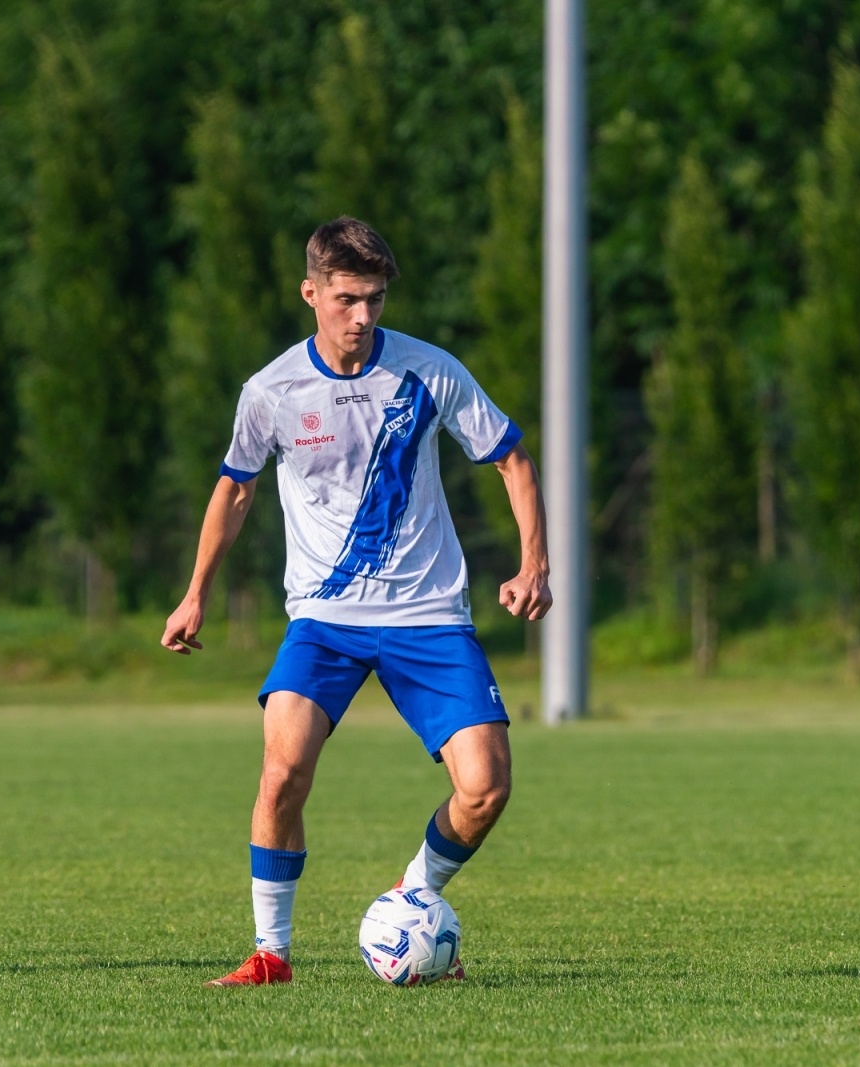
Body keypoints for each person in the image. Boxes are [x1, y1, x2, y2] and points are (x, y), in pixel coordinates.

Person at [162, 216, 552, 987]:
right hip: (324, 618)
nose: (363, 315)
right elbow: (235, 489)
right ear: (311, 293)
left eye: (374, 298)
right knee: (282, 770)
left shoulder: (429, 371)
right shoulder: (272, 391)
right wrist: (195, 592)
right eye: (347, 298)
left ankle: (415, 895)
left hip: (427, 614)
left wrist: (533, 562)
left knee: (486, 787)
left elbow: (510, 457)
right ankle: (271, 955)